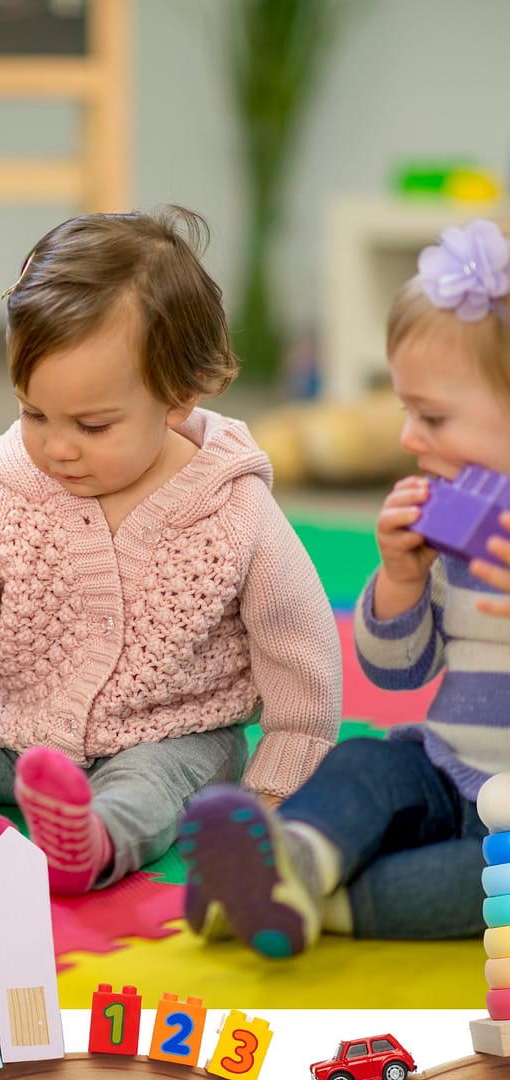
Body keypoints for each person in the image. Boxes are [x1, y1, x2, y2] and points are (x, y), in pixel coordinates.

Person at [0, 205, 341, 893]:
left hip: (165, 733)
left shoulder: (236, 512)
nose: (56, 447)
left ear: (177, 396)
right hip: (11, 725)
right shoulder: (10, 494)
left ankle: (95, 842)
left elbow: (297, 648)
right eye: (34, 413)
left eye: (92, 426)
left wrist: (282, 779)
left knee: (164, 783)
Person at [178, 217, 510, 958]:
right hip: (447, 768)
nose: (409, 438)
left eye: (433, 416)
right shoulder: (452, 527)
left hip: (507, 829)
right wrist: (400, 579)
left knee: (488, 885)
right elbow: (397, 673)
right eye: (404, 410)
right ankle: (293, 858)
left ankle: (309, 905)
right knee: (364, 763)